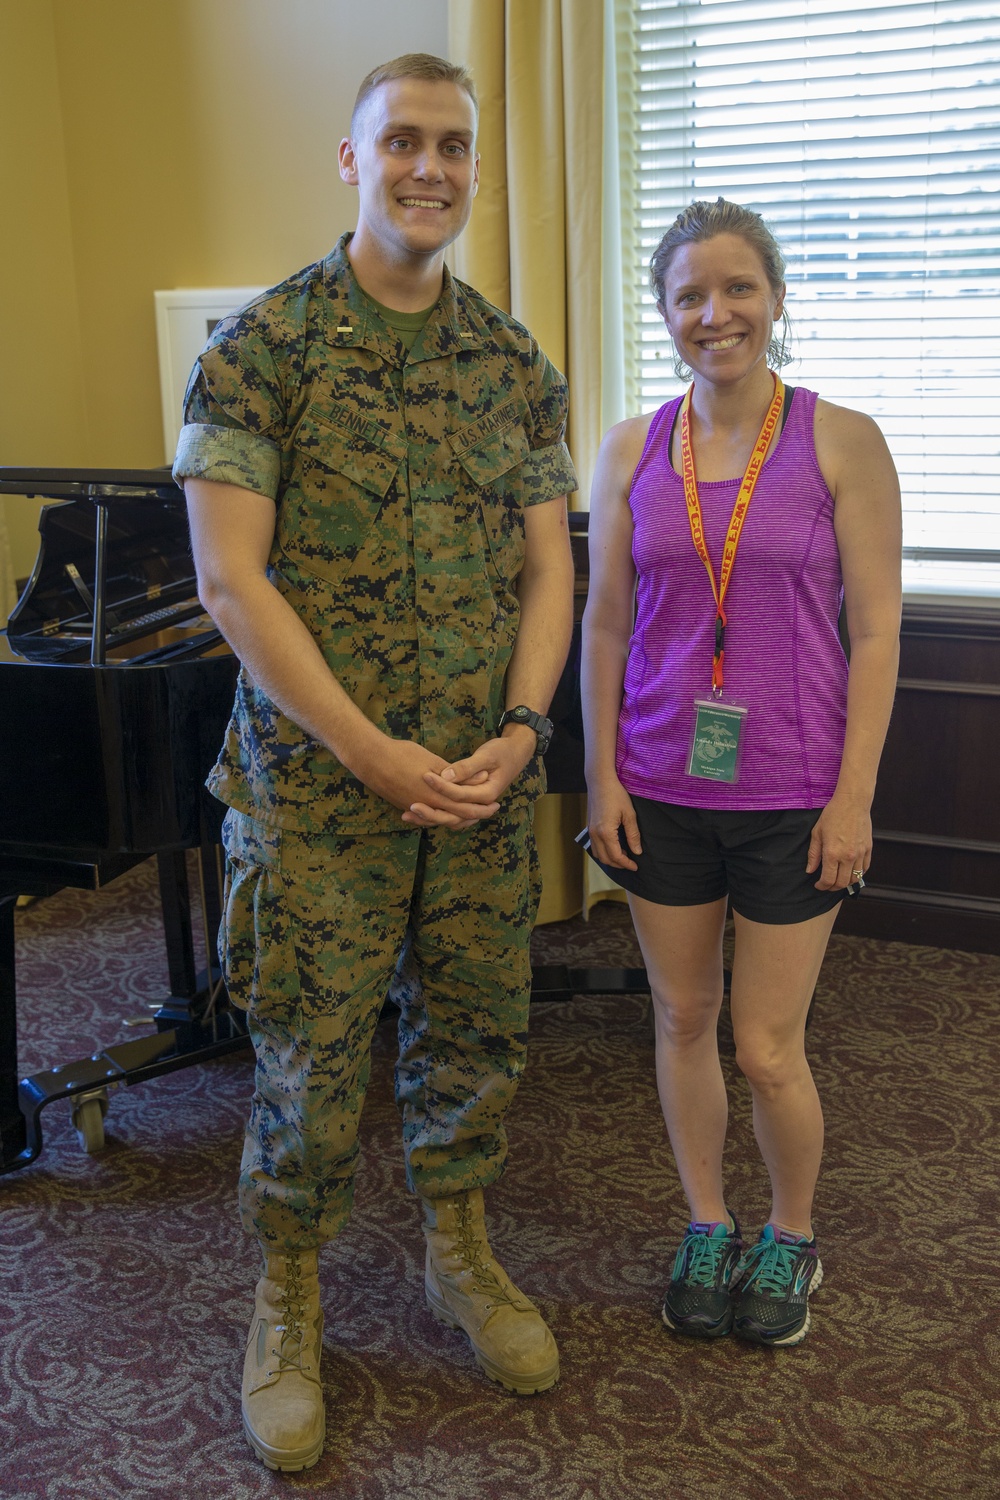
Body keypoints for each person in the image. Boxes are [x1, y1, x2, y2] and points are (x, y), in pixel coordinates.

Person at [175, 54, 576, 1472]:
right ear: (351, 161)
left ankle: (457, 1251)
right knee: (311, 1049)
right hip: (321, 796)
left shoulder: (512, 362)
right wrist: (372, 753)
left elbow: (548, 568)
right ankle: (286, 1296)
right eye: (402, 141)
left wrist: (522, 732)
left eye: (454, 146)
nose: (431, 167)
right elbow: (233, 584)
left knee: (476, 1031)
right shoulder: (260, 350)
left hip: (477, 784)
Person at [581, 198, 901, 1348]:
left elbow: (874, 632)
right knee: (678, 1015)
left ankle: (792, 1234)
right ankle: (706, 1221)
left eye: (736, 290)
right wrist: (601, 776)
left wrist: (854, 795)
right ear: (665, 313)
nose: (712, 314)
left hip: (791, 794)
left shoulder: (839, 440)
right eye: (687, 297)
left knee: (767, 1049)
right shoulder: (632, 447)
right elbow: (606, 624)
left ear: (773, 298)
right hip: (660, 784)